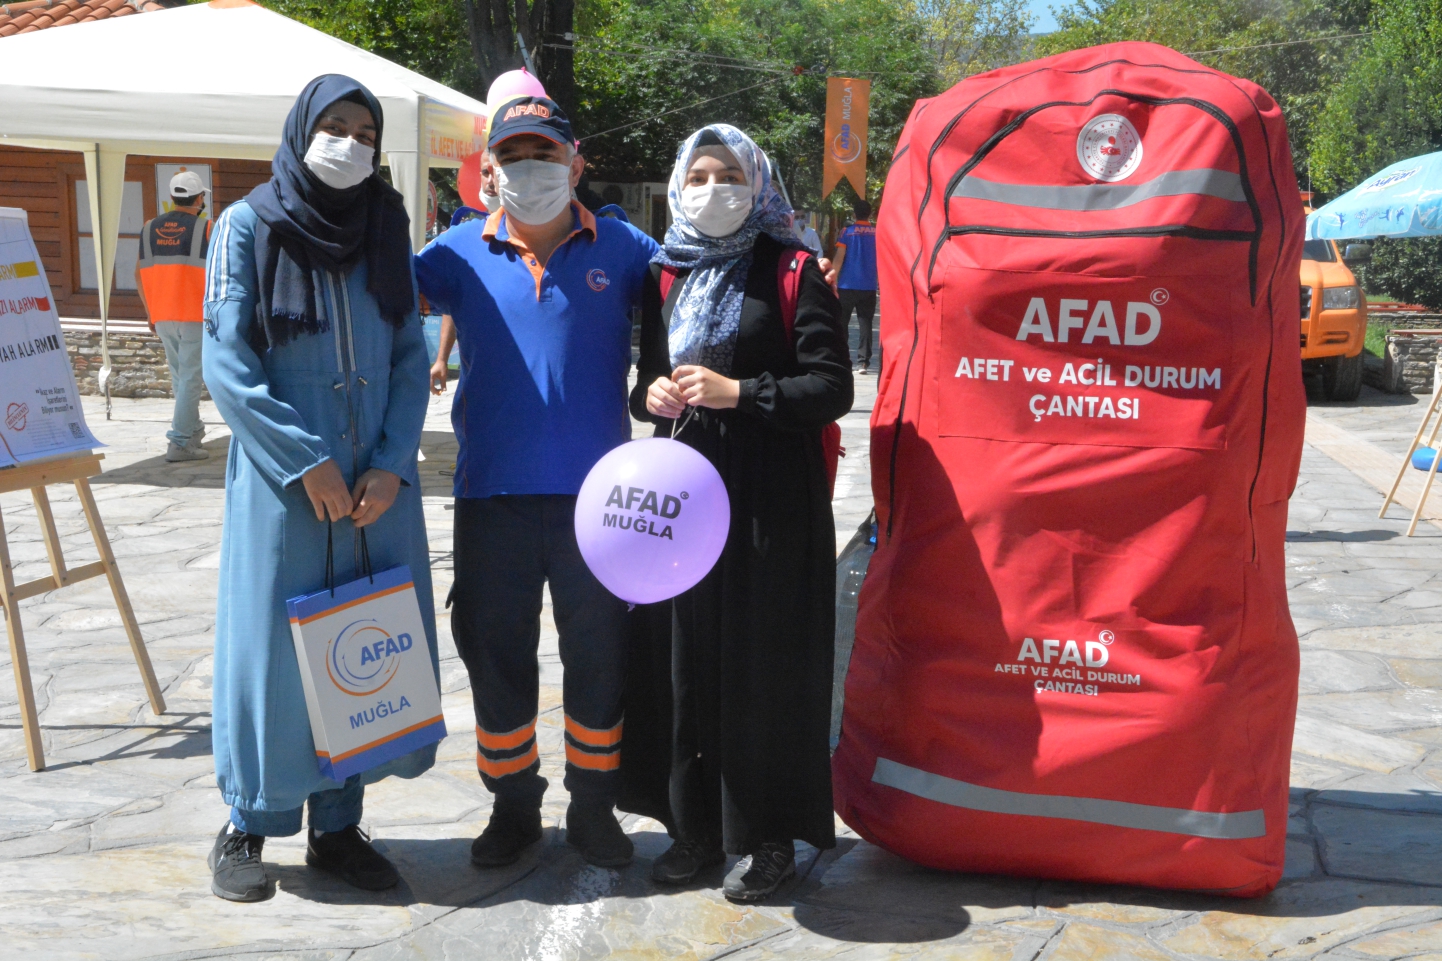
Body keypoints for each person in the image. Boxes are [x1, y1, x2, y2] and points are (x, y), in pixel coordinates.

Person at [201, 75, 438, 903]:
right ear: (301, 129)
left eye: (364, 132)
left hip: (376, 484)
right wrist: (305, 460)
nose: (349, 143)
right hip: (285, 488)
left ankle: (339, 826)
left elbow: (411, 353)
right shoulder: (245, 227)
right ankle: (248, 819)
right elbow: (226, 363)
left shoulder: (386, 227)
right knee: (273, 654)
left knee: (363, 643)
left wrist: (389, 460)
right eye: (333, 126)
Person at [413, 96, 662, 869]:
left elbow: (704, 280)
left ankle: (593, 806)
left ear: (576, 163)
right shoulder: (453, 253)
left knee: (600, 653)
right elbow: (373, 303)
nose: (532, 169)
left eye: (546, 155)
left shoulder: (624, 247)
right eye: (514, 155)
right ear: (490, 169)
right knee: (495, 652)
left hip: (602, 504)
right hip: (493, 496)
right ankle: (513, 802)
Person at [623, 124, 852, 902]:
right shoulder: (668, 273)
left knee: (767, 669)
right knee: (687, 661)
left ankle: (770, 837)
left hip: (772, 502)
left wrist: (742, 393)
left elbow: (831, 389)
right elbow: (651, 376)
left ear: (758, 183)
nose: (711, 188)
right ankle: (693, 829)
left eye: (728, 174)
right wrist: (647, 393)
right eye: (698, 175)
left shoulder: (792, 269)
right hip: (685, 493)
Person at [135, 170, 212, 462]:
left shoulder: (148, 228)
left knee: (181, 377)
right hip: (194, 314)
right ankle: (179, 443)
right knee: (190, 378)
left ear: (172, 198)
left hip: (162, 314)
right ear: (199, 198)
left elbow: (138, 274)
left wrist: (150, 312)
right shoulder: (207, 228)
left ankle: (192, 432)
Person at [430, 150, 497, 395]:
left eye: (496, 172)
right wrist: (441, 359)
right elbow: (452, 302)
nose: (490, 181)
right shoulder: (463, 239)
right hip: (481, 386)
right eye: (484, 172)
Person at [832, 198, 878, 373]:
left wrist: (833, 277)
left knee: (842, 321)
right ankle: (863, 362)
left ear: (853, 214)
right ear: (870, 214)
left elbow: (839, 256)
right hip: (868, 285)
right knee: (865, 323)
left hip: (847, 284)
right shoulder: (877, 233)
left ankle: (842, 358)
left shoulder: (847, 232)